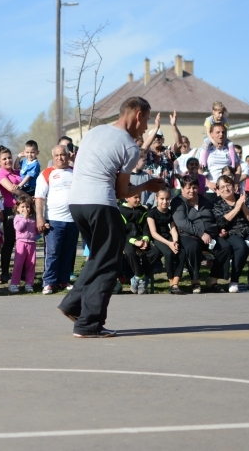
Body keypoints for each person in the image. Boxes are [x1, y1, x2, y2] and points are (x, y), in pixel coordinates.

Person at [57, 97, 165, 338]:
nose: (146, 127)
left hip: (76, 203)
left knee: (99, 257)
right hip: (101, 204)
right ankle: (88, 324)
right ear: (138, 115)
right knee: (109, 263)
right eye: (146, 120)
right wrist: (148, 185)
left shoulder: (95, 132)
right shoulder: (129, 146)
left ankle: (73, 304)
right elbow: (122, 193)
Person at [171, 175, 231, 294]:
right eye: (188, 188)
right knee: (192, 248)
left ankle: (212, 280)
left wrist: (218, 230)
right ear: (182, 188)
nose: (192, 191)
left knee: (225, 247)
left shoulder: (204, 200)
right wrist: (201, 233)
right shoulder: (178, 202)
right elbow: (182, 222)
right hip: (189, 236)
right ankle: (195, 281)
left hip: (210, 235)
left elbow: (213, 217)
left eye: (194, 187)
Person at [35, 145, 78, 294]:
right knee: (53, 252)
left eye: (63, 155)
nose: (60, 158)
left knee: (68, 252)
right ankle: (49, 282)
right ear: (53, 157)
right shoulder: (46, 174)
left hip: (73, 220)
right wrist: (40, 218)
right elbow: (39, 198)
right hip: (54, 220)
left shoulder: (76, 172)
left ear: (68, 156)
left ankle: (63, 280)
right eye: (57, 155)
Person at [212, 176, 249, 293]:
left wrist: (243, 206)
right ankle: (234, 280)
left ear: (234, 187)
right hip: (231, 233)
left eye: (228, 185)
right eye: (222, 187)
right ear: (218, 190)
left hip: (248, 231)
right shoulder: (217, 202)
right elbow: (220, 223)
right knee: (241, 247)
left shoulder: (243, 198)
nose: (226, 189)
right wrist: (237, 207)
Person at [119, 192, 161, 295]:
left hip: (141, 239)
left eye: (140, 197)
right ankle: (142, 277)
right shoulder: (120, 211)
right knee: (130, 252)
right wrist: (134, 241)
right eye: (135, 197)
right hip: (126, 239)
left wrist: (145, 239)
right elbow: (121, 231)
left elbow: (146, 227)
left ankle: (138, 276)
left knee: (155, 252)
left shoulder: (142, 210)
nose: (138, 200)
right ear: (127, 197)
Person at [147, 187, 185, 294]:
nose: (165, 202)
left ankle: (175, 283)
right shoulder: (151, 213)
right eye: (162, 199)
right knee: (168, 253)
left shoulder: (170, 213)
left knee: (181, 253)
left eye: (167, 199)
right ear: (156, 198)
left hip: (169, 238)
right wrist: (169, 244)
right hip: (158, 238)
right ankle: (171, 282)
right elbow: (153, 233)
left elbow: (173, 228)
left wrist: (175, 242)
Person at [0, 147, 25, 284]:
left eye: (9, 157)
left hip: (24, 210)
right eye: (4, 158)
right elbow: (12, 188)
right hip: (10, 210)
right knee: (9, 242)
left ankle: (23, 272)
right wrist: (30, 199)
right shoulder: (0, 175)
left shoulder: (17, 172)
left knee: (23, 242)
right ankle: (5, 273)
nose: (8, 160)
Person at [199, 123, 239, 198]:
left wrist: (236, 182)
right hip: (211, 190)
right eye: (218, 132)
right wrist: (208, 183)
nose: (221, 134)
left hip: (226, 190)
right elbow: (198, 169)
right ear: (211, 134)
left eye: (223, 132)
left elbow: (238, 168)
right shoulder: (205, 150)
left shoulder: (229, 150)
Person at [10, 195, 38, 293]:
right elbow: (19, 228)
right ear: (17, 208)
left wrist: (42, 228)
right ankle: (14, 284)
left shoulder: (32, 218)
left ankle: (29, 283)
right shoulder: (17, 218)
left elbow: (36, 231)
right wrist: (25, 218)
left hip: (31, 244)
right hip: (21, 243)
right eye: (22, 207)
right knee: (18, 264)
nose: (25, 209)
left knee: (31, 264)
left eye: (27, 207)